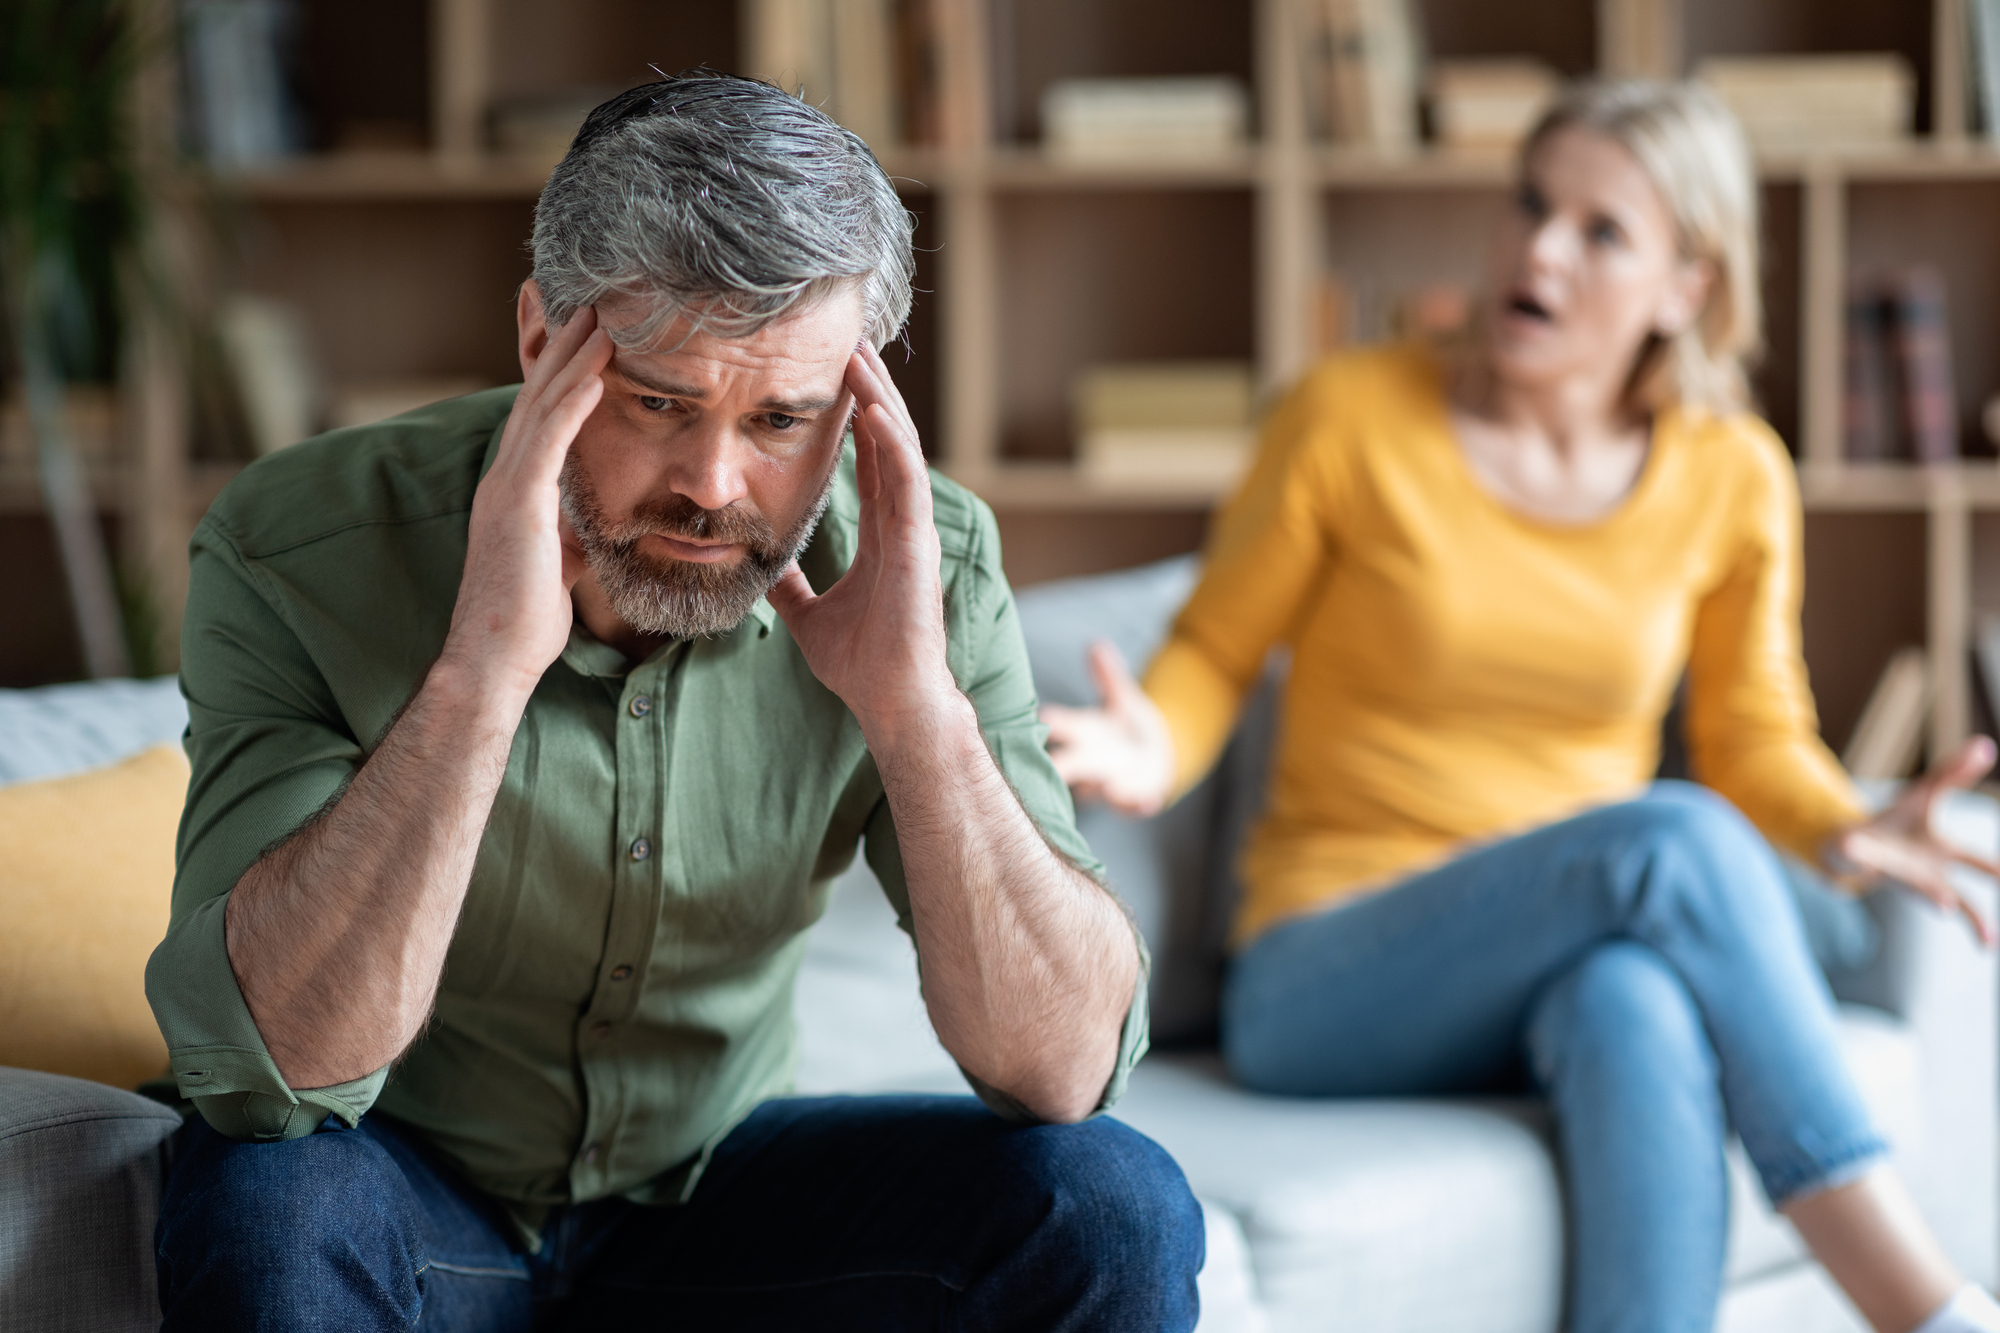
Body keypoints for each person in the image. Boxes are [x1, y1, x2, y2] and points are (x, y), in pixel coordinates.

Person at [146, 74, 1202, 1332]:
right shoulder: (296, 547)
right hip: (403, 1184)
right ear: (543, 342)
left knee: (1107, 1203)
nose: (713, 484)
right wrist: (480, 673)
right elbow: (273, 1079)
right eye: (658, 401)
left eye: (780, 417)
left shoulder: (921, 565)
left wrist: (915, 711)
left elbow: (1065, 1071)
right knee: (268, 1203)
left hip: (724, 1200)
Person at [1045, 79, 2000, 1333]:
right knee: (1663, 837)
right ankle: (1924, 1305)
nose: (1540, 248)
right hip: (1324, 972)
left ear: (1686, 287)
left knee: (1632, 999)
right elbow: (1217, 648)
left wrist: (1837, 828)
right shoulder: (1350, 415)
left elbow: (1753, 730)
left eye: (1601, 230)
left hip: (1557, 953)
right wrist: (1150, 738)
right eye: (1530, 205)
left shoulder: (1730, 476)